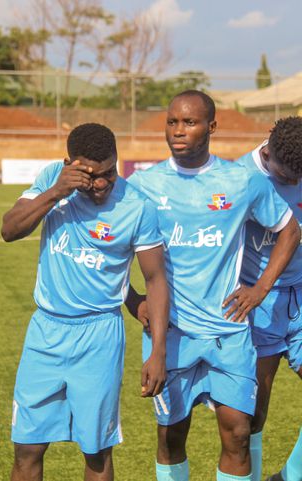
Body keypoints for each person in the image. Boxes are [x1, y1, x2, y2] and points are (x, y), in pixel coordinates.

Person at [126, 91, 301, 481]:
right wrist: (132, 299)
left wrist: (259, 290)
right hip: (173, 333)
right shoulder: (143, 184)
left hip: (229, 330)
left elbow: (289, 230)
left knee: (239, 431)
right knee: (172, 436)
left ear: (212, 127)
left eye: (189, 122)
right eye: (172, 122)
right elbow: (110, 247)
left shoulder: (242, 182)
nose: (178, 131)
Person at [1, 122, 169, 481]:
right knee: (27, 447)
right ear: (69, 165)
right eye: (91, 176)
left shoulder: (137, 207)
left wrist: (158, 352)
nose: (102, 184)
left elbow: (155, 279)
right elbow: (9, 230)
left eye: (109, 172)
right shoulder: (52, 179)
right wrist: (56, 192)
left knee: (96, 451)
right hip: (46, 330)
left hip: (99, 336)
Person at [235, 116, 302, 481]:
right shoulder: (242, 179)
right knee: (254, 413)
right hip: (259, 306)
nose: (294, 182)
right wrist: (257, 289)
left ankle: (289, 476)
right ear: (270, 151)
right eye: (288, 174)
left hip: (301, 295)